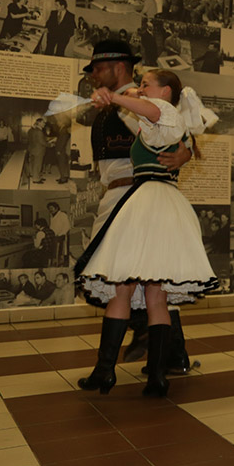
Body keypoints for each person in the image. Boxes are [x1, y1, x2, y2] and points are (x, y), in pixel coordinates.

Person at [75, 68, 217, 396]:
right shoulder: (167, 123)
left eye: (146, 84)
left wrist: (114, 96)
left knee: (124, 288)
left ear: (166, 92)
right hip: (159, 205)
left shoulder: (162, 111)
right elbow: (154, 119)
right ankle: (154, 377)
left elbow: (151, 111)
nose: (140, 89)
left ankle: (108, 372)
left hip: (149, 204)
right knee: (155, 295)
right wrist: (122, 97)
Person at [81, 40, 194, 369]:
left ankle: (153, 343)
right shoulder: (121, 101)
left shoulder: (139, 101)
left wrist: (185, 152)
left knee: (134, 275)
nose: (94, 75)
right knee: (146, 278)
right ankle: (168, 352)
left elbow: (176, 131)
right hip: (121, 194)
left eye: (98, 69)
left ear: (119, 67)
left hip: (134, 195)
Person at [26, 117, 52, 184]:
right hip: (39, 150)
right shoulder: (39, 131)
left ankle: (36, 176)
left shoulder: (33, 130)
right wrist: (50, 145)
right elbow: (42, 142)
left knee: (35, 165)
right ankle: (36, 179)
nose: (44, 124)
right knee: (38, 165)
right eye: (43, 122)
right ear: (39, 123)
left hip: (34, 149)